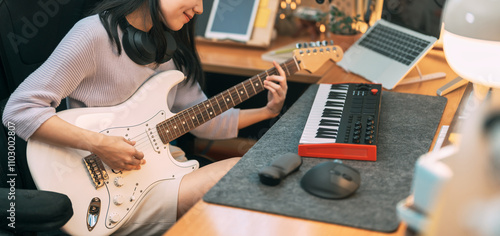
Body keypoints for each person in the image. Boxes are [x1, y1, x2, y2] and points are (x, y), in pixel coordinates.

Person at [2, 0, 288, 234]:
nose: (200, 9)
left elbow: (206, 122)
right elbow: (19, 110)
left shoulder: (169, 49)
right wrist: (100, 144)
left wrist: (268, 111)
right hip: (111, 191)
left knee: (246, 178)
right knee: (238, 175)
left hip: (160, 171)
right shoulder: (93, 35)